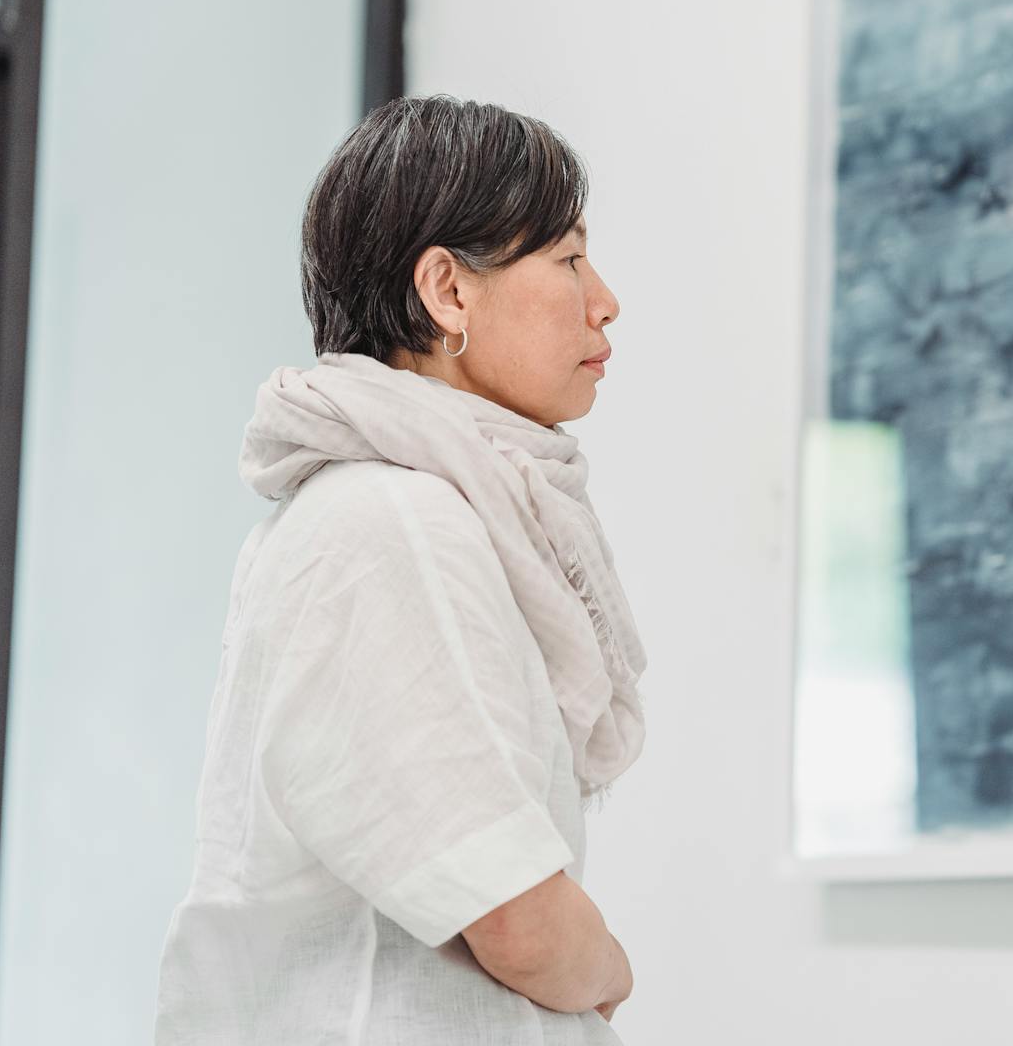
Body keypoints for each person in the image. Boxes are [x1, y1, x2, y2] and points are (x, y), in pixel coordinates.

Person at [153, 95, 647, 1043]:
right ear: (449, 293)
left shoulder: (401, 511)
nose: (605, 299)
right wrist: (610, 967)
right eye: (569, 257)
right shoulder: (392, 521)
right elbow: (512, 910)